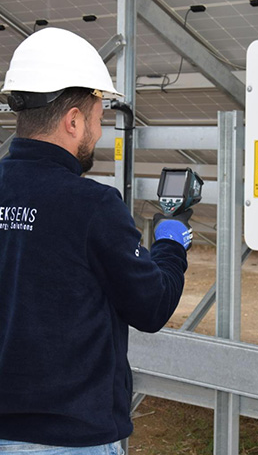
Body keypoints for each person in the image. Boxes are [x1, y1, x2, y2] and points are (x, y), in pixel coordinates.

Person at [0, 27, 192, 454]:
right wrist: (171, 244)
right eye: (98, 118)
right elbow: (152, 305)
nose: (100, 132)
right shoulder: (92, 205)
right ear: (73, 121)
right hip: (71, 440)